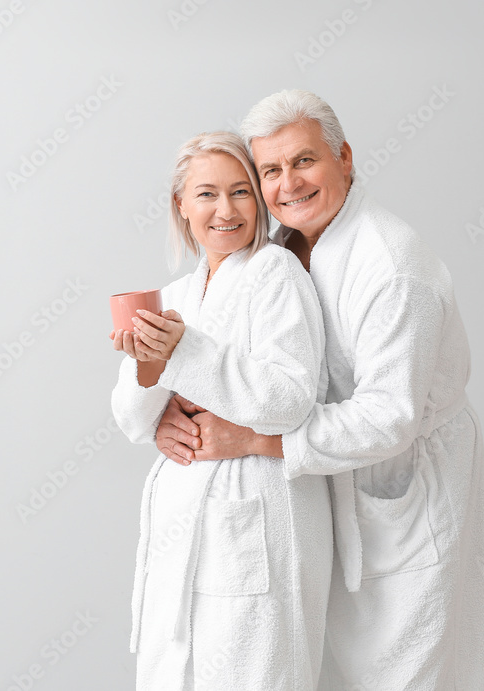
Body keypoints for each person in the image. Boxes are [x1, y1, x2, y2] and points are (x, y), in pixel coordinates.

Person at [155, 91, 484, 689]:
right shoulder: (282, 250)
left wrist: (253, 440)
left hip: (404, 490)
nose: (288, 184)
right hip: (323, 494)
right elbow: (245, 360)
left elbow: (388, 418)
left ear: (344, 157)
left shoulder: (393, 268)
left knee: (409, 669)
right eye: (270, 171)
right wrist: (172, 410)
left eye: (304, 161)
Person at [110, 131, 333, 689]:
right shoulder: (176, 295)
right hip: (182, 525)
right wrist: (152, 380)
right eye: (207, 194)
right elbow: (132, 420)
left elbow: (287, 400)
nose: (226, 210)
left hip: (257, 516)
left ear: (258, 201)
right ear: (181, 207)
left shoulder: (276, 275)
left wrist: (182, 355)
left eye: (241, 192)